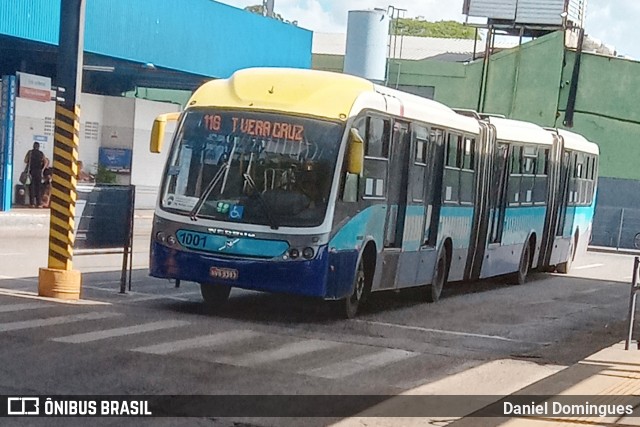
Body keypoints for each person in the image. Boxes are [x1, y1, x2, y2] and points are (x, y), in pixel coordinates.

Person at [23, 142, 48, 207]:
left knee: (31, 187)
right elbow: (46, 161)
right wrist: (42, 169)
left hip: (31, 172)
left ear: (33, 146)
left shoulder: (30, 152)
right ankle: (39, 203)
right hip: (39, 172)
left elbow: (25, 160)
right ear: (39, 147)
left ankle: (32, 204)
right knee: (38, 187)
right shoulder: (41, 153)